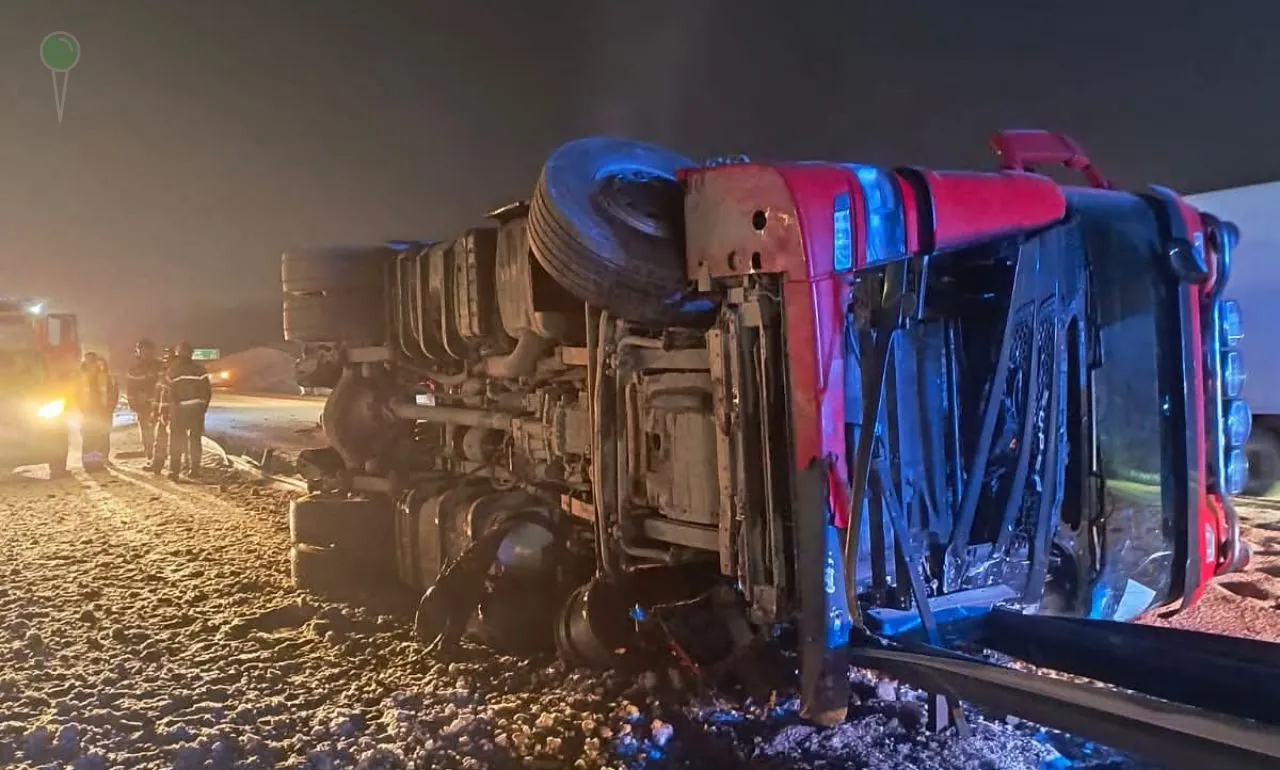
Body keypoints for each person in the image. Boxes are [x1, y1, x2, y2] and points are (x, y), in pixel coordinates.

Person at [163, 342, 212, 481]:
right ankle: (195, 470)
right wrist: (203, 408)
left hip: (180, 410)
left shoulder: (173, 370)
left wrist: (170, 410)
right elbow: (207, 392)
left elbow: (169, 392)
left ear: (179, 354)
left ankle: (174, 471)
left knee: (177, 439)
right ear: (192, 353)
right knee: (195, 440)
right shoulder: (200, 370)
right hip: (197, 410)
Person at [77, 352, 119, 471]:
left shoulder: (105, 377)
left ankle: (99, 462)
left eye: (93, 362)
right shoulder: (81, 378)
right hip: (88, 413)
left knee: (100, 437)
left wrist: (109, 409)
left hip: (102, 412)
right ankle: (89, 464)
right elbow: (76, 395)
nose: (91, 365)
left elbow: (113, 393)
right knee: (88, 439)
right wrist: (82, 410)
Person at [125, 338, 162, 461]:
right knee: (147, 430)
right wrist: (133, 403)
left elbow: (165, 385)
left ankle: (156, 455)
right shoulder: (135, 367)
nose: (142, 352)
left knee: (157, 430)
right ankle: (150, 453)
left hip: (158, 404)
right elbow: (130, 387)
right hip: (143, 405)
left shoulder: (159, 366)